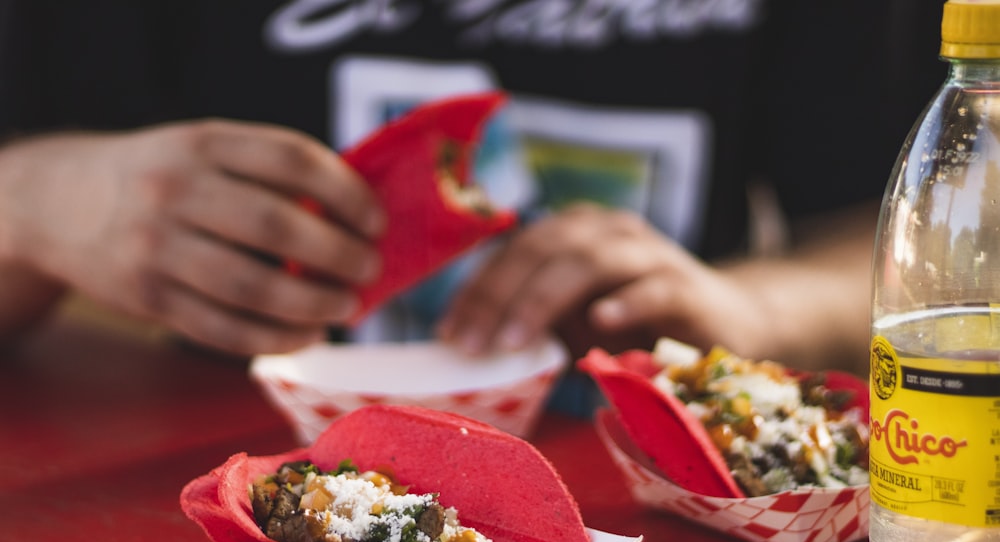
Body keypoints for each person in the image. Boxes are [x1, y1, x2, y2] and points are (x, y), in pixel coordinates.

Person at [0, 2, 946, 395]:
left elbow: (933, 265)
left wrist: (756, 310)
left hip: (654, 515)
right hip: (218, 511)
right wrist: (37, 201)